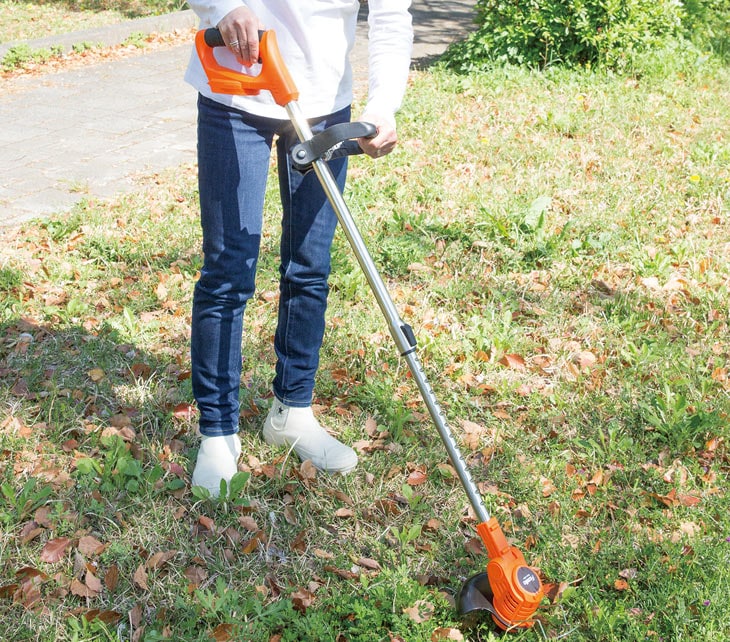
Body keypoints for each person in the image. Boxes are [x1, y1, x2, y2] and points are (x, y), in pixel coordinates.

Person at [184, 1, 413, 496]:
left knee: (310, 265)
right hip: (235, 88)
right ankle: (218, 433)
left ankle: (293, 411)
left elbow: (393, 18)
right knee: (228, 268)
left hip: (324, 99)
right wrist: (223, 8)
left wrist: (383, 106)